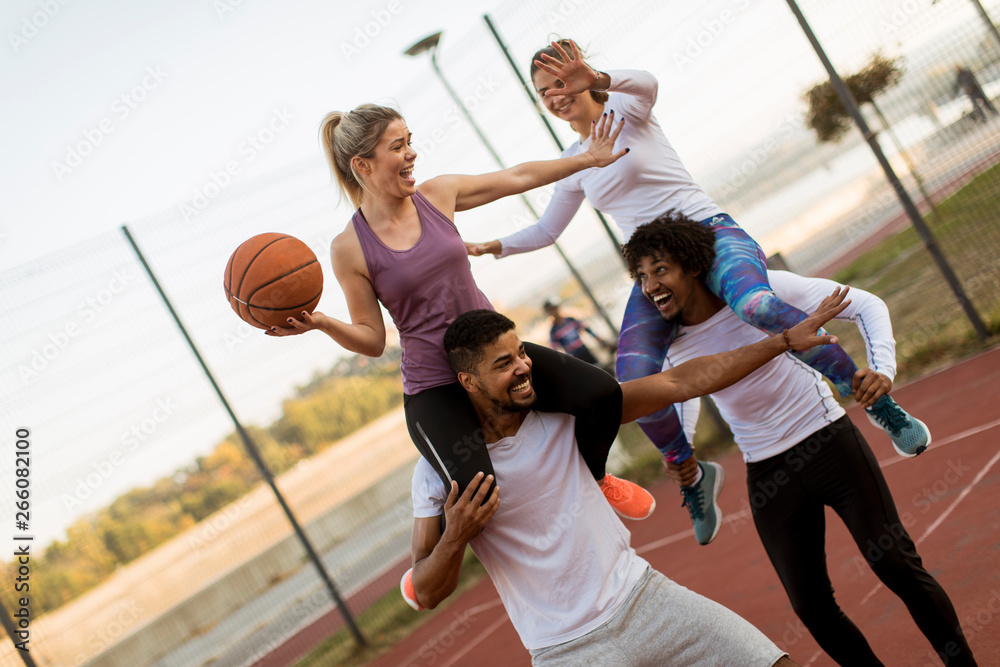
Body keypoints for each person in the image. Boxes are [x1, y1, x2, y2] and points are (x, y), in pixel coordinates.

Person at [466, 39, 931, 543]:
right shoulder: (574, 160)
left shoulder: (627, 108)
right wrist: (491, 246)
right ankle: (691, 473)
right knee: (630, 381)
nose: (557, 94)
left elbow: (648, 82)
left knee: (755, 304)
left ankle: (876, 401)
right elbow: (546, 230)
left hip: (709, 237)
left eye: (561, 80)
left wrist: (596, 76)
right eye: (544, 90)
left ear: (581, 72)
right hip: (655, 266)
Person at [404, 304, 854, 666]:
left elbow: (679, 382)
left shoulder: (562, 416)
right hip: (565, 651)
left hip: (647, 600)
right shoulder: (439, 472)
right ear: (468, 381)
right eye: (504, 363)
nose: (524, 367)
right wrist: (457, 536)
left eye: (522, 352)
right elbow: (426, 590)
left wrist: (781, 342)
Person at [266, 103, 656, 520]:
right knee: (478, 497)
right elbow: (372, 340)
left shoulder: (437, 194)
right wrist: (322, 323)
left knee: (603, 395)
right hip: (434, 383)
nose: (412, 153)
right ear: (362, 164)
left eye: (410, 142)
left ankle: (595, 477)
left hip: (496, 356)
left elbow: (517, 177)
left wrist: (586, 159)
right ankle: (428, 549)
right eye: (398, 147)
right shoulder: (349, 248)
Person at [623, 213, 978, 667]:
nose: (650, 285)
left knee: (896, 566)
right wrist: (684, 449)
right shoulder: (667, 337)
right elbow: (681, 391)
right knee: (811, 608)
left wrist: (883, 370)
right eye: (642, 276)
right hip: (768, 472)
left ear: (692, 265)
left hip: (827, 440)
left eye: (660, 269)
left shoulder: (763, 292)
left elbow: (867, 304)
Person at [542, 299, 615, 367]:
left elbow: (587, 330)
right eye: (551, 310)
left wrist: (601, 341)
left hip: (584, 350)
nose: (554, 312)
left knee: (598, 369)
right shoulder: (554, 331)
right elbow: (555, 349)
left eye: (554, 308)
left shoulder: (570, 320)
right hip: (574, 357)